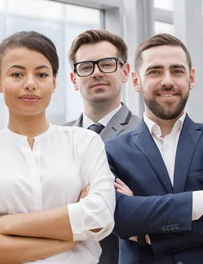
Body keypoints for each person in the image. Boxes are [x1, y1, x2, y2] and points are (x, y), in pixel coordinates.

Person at [0, 31, 116, 264]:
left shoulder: (84, 143)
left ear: (54, 82)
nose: (30, 84)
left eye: (41, 74)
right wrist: (72, 236)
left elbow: (101, 216)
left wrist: (6, 224)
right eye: (17, 74)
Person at [106, 33, 203, 264]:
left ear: (191, 78)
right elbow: (119, 216)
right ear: (135, 81)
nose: (167, 81)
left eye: (177, 71)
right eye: (155, 71)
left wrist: (146, 234)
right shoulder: (111, 151)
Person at [64, 29, 141, 264]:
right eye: (86, 67)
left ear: (125, 72)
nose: (97, 73)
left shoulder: (147, 133)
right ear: (74, 79)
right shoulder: (57, 138)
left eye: (107, 64)